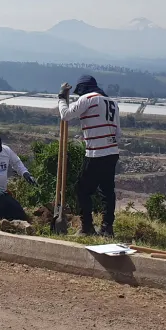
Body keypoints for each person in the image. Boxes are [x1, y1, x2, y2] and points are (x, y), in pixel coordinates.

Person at [58, 75, 122, 237]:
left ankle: (87, 227)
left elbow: (65, 115)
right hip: (112, 152)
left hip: (96, 153)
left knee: (82, 190)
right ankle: (107, 228)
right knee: (107, 191)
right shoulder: (112, 103)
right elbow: (118, 133)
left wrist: (61, 98)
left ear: (82, 89)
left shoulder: (87, 99)